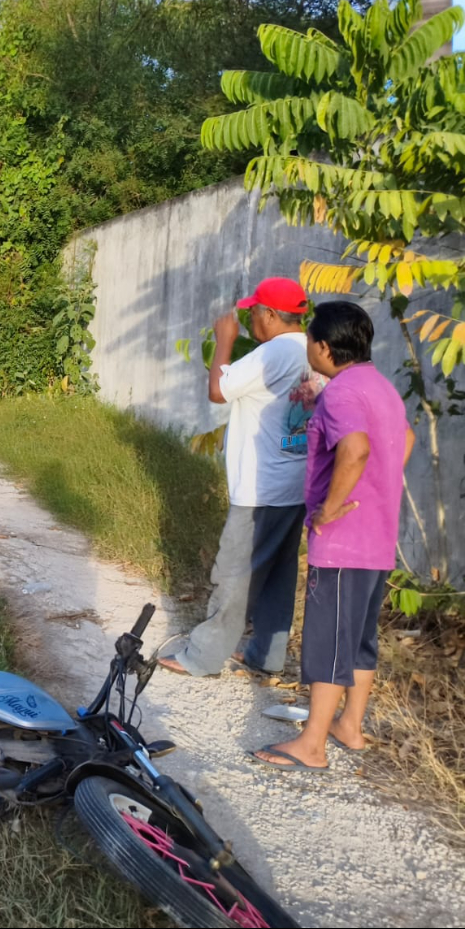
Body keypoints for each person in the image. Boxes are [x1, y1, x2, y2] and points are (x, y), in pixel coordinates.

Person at [252, 302, 413, 772]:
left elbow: (356, 449)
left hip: (344, 540)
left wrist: (328, 508)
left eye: (309, 343)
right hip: (378, 536)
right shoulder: (382, 388)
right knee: (360, 638)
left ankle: (312, 744)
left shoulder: (340, 392)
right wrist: (377, 486)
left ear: (323, 347)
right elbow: (403, 443)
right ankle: (350, 726)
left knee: (328, 640)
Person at [160, 277, 322, 678]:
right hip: (296, 483)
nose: (249, 318)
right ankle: (266, 655)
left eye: (253, 312)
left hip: (260, 487)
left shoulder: (271, 354)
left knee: (234, 573)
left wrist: (224, 339)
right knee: (278, 574)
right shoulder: (315, 352)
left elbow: (218, 390)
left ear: (269, 314)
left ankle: (202, 657)